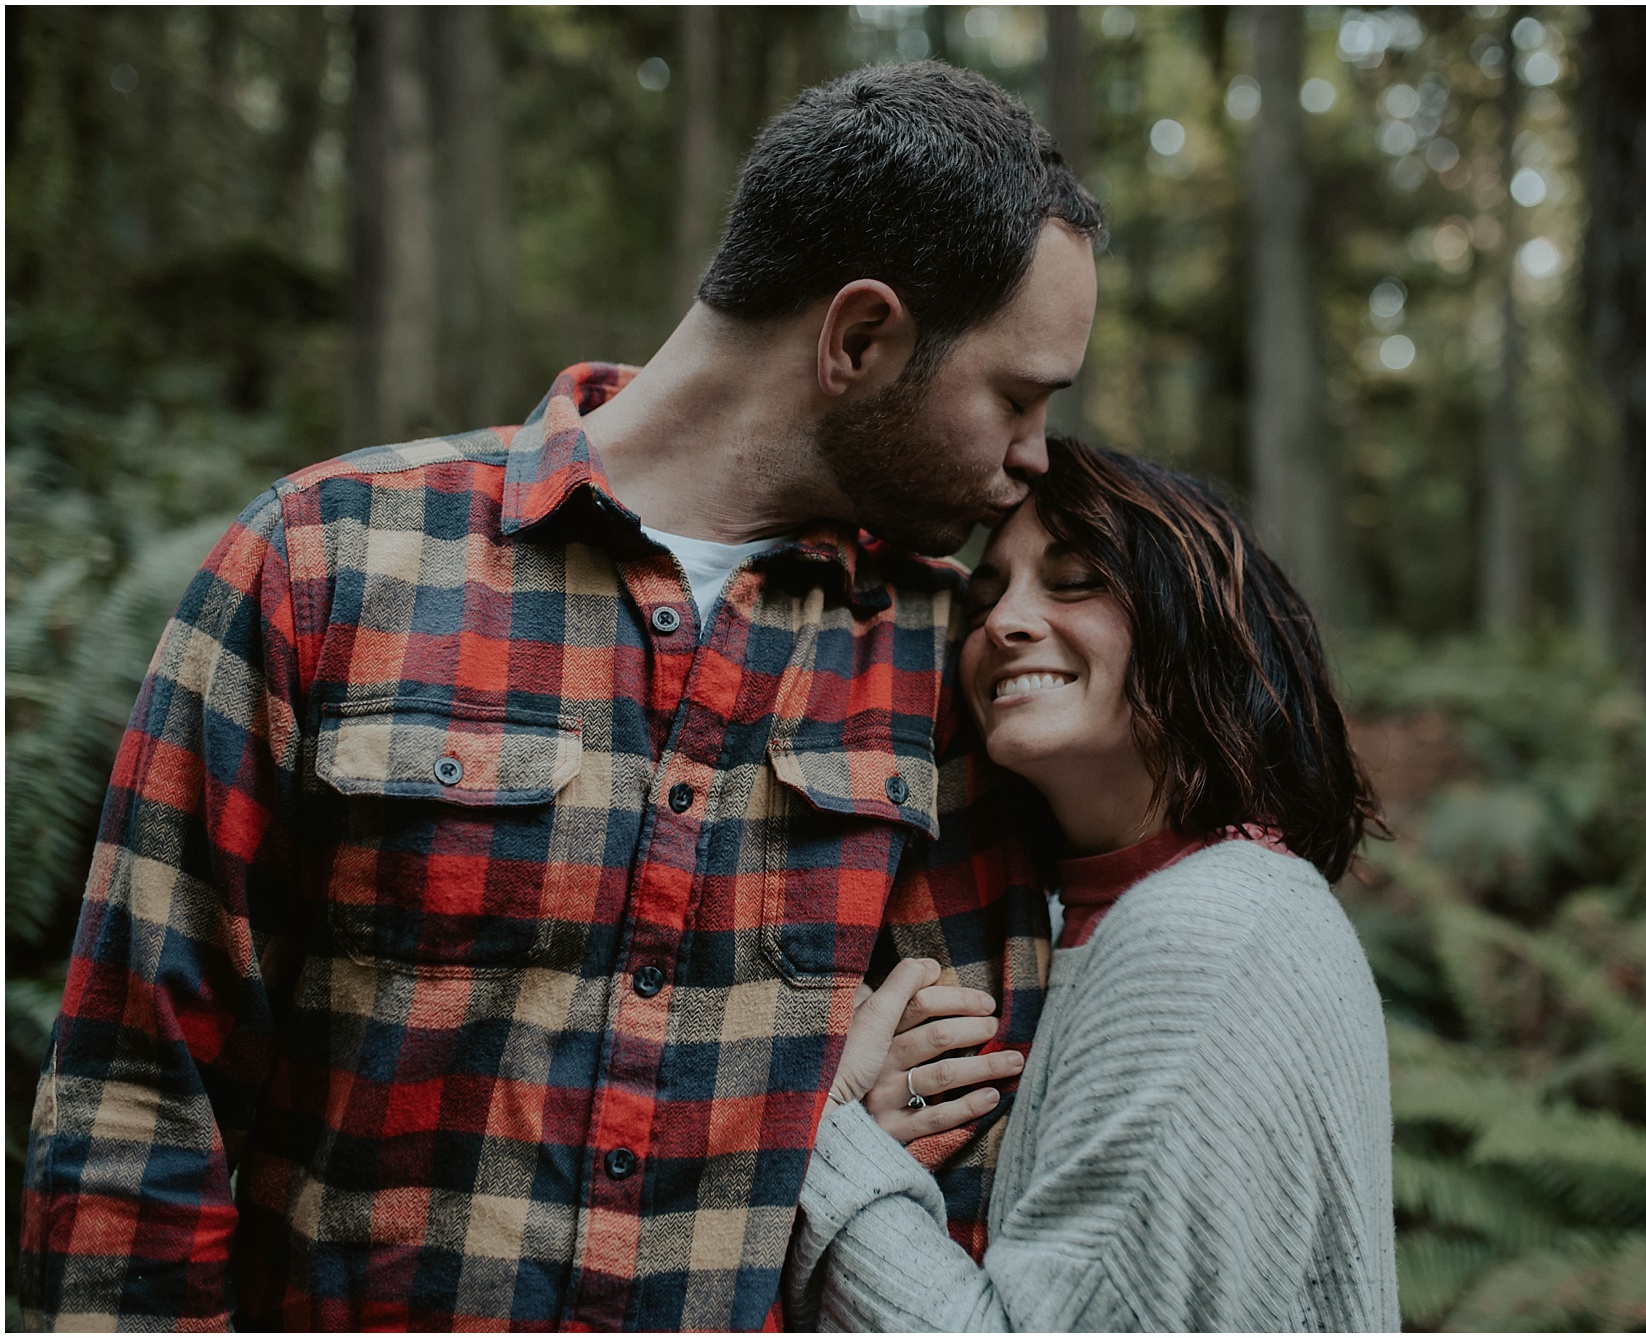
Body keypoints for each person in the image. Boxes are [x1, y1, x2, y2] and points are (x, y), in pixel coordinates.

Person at [20, 62, 1096, 1331]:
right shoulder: (324, 564)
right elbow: (136, 1105)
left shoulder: (938, 654)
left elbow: (977, 1150)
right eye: (1014, 398)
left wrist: (820, 1150)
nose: (1031, 456)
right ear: (859, 342)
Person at [784, 439, 1400, 1332]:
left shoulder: (1206, 935)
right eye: (988, 595)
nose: (1003, 623)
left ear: (1197, 625)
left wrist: (823, 1125)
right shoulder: (1119, 913)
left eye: (1074, 582)